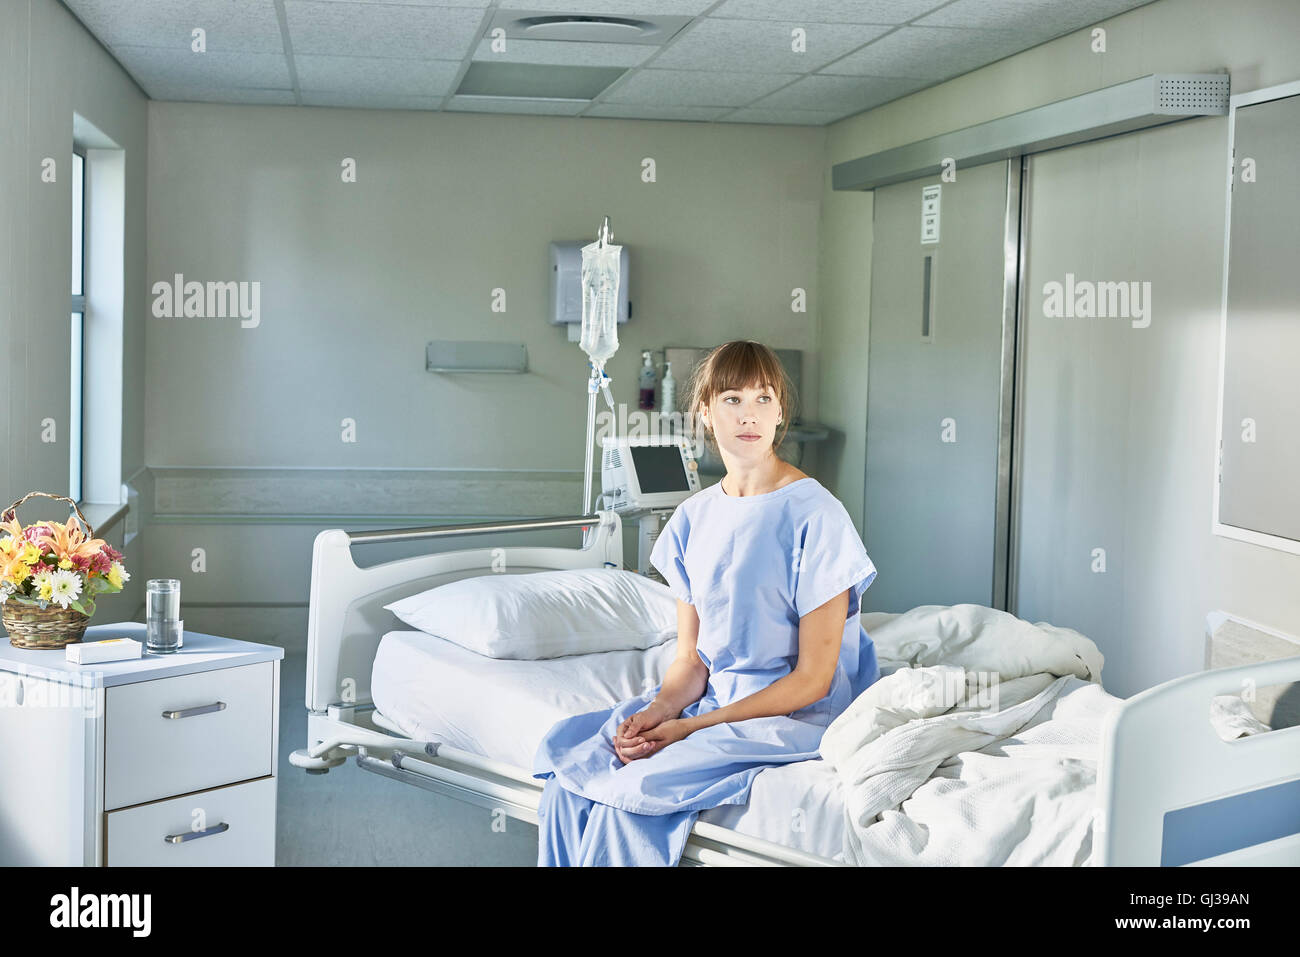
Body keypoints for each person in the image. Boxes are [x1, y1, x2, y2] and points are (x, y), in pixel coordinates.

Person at [533, 339, 881, 866]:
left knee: (628, 803)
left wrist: (690, 729)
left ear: (781, 410)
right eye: (733, 399)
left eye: (764, 399)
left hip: (796, 714)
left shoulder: (816, 515)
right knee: (570, 778)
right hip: (715, 703)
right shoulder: (694, 518)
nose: (750, 415)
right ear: (704, 411)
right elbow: (692, 660)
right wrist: (656, 713)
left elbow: (813, 680)